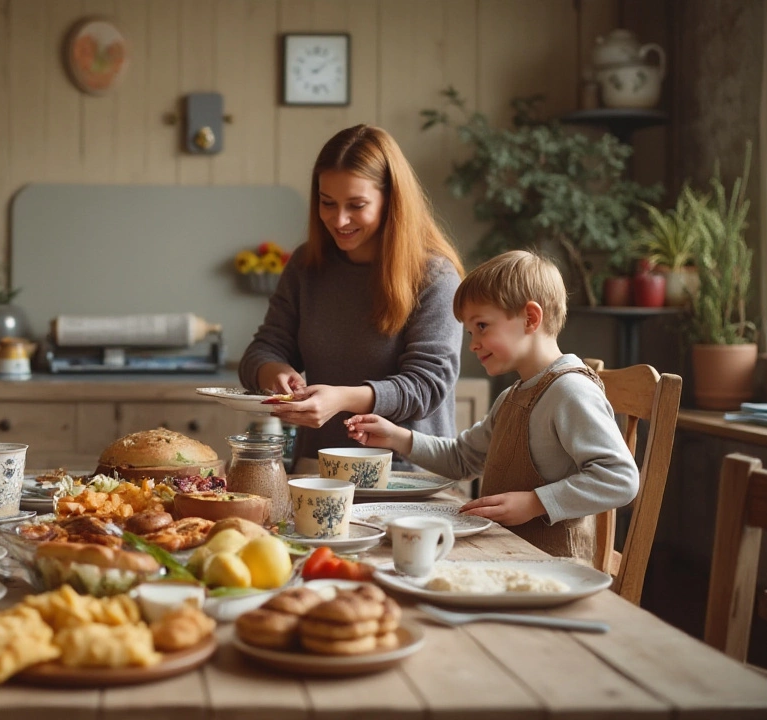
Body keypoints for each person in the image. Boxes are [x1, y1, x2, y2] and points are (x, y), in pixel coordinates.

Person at [344, 250, 639, 562]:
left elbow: (620, 478)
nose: (472, 343)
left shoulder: (570, 391)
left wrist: (535, 503)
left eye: (482, 326)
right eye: (470, 331)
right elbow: (462, 459)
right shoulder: (512, 396)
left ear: (530, 318)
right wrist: (395, 437)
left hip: (555, 570)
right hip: (508, 556)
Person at [238, 124, 465, 471]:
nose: (339, 219)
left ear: (391, 201)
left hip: (406, 478)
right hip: (318, 474)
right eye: (327, 203)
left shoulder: (434, 276)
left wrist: (342, 399)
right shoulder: (306, 266)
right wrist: (274, 372)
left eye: (356, 205)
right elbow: (262, 350)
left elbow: (427, 387)